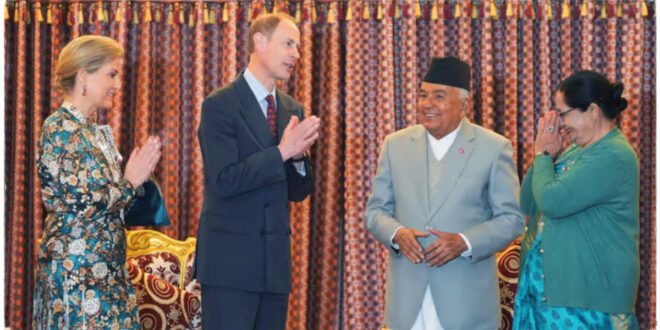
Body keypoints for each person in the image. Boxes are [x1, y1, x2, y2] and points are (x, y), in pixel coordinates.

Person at [365, 56, 525, 330]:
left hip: (467, 303)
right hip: (408, 303)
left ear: (464, 104)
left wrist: (464, 241)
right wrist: (396, 233)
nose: (427, 104)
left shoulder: (493, 147)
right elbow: (375, 211)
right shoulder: (395, 144)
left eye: (439, 96)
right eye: (423, 95)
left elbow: (512, 219)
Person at [194, 13, 320, 329]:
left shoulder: (292, 109)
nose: (296, 54)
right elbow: (224, 180)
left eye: (298, 47)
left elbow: (298, 191)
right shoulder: (220, 104)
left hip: (274, 266)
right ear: (259, 42)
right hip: (229, 265)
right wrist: (282, 152)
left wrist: (297, 160)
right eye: (288, 44)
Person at [33, 35, 162, 328]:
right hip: (77, 274)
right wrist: (129, 182)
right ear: (83, 76)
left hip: (107, 271)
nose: (118, 84)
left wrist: (140, 181)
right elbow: (83, 203)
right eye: (112, 74)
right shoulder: (60, 128)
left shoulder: (91, 131)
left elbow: (111, 202)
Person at [513, 70, 640, 329]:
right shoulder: (575, 152)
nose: (561, 123)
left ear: (592, 110)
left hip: (586, 298)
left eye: (564, 113)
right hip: (550, 289)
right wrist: (546, 154)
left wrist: (542, 155)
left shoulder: (612, 154)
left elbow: (552, 202)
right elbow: (527, 202)